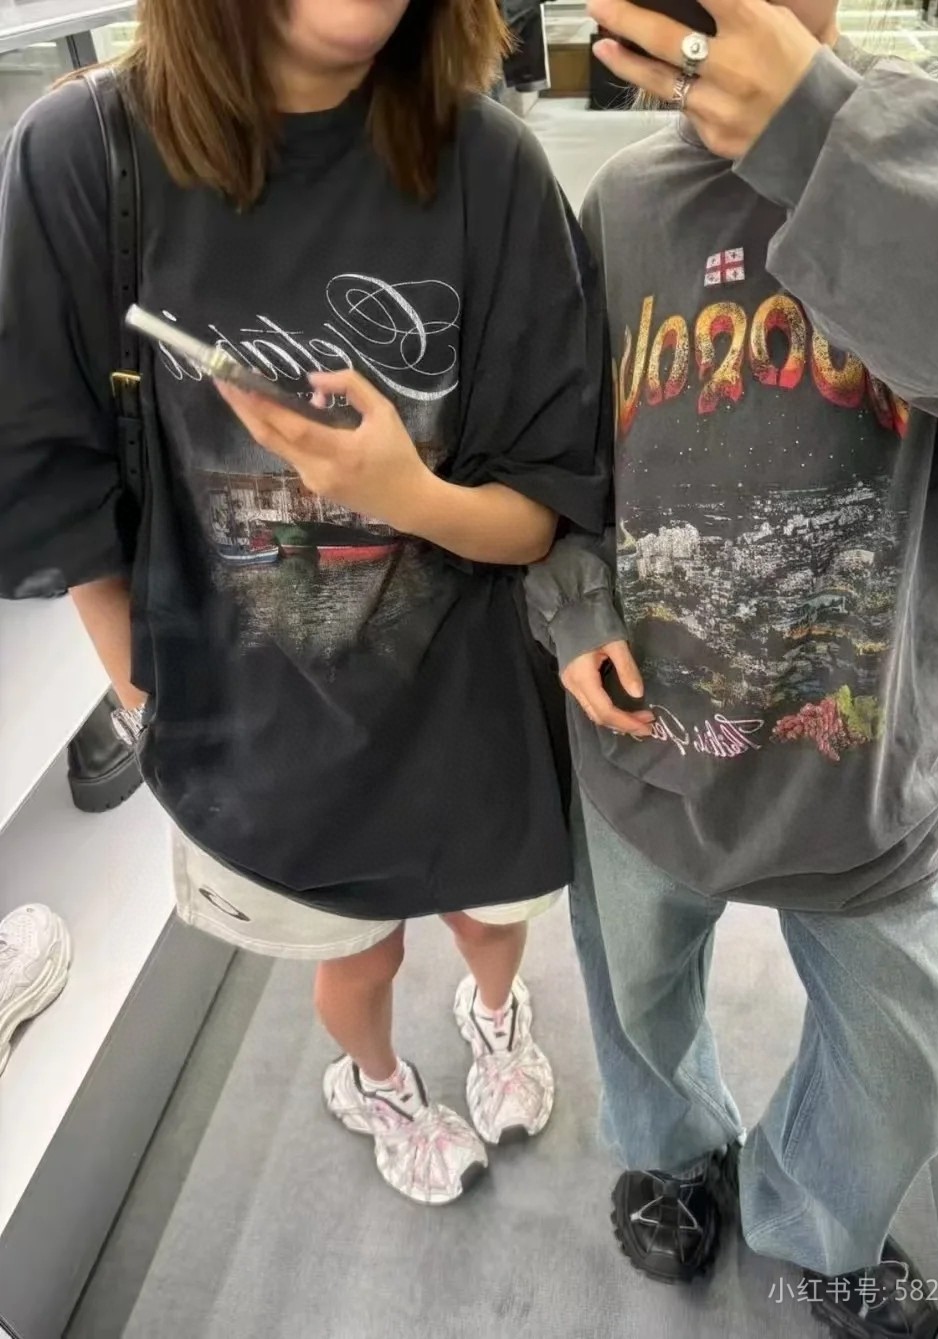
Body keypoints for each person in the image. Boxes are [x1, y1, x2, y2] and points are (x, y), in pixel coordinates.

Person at [526, 0, 938, 1332]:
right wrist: (573, 602)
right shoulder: (622, 205)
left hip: (873, 789)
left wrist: (827, 136)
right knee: (639, 1008)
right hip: (648, 757)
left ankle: (812, 1214)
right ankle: (675, 1153)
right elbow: (559, 461)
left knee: (897, 1079)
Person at [0, 0, 609, 1206]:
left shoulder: (490, 165)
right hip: (259, 733)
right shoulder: (86, 157)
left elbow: (544, 504)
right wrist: (149, 697)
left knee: (494, 920)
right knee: (355, 959)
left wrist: (404, 492)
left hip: (472, 702)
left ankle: (496, 1015)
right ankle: (374, 1080)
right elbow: (50, 484)